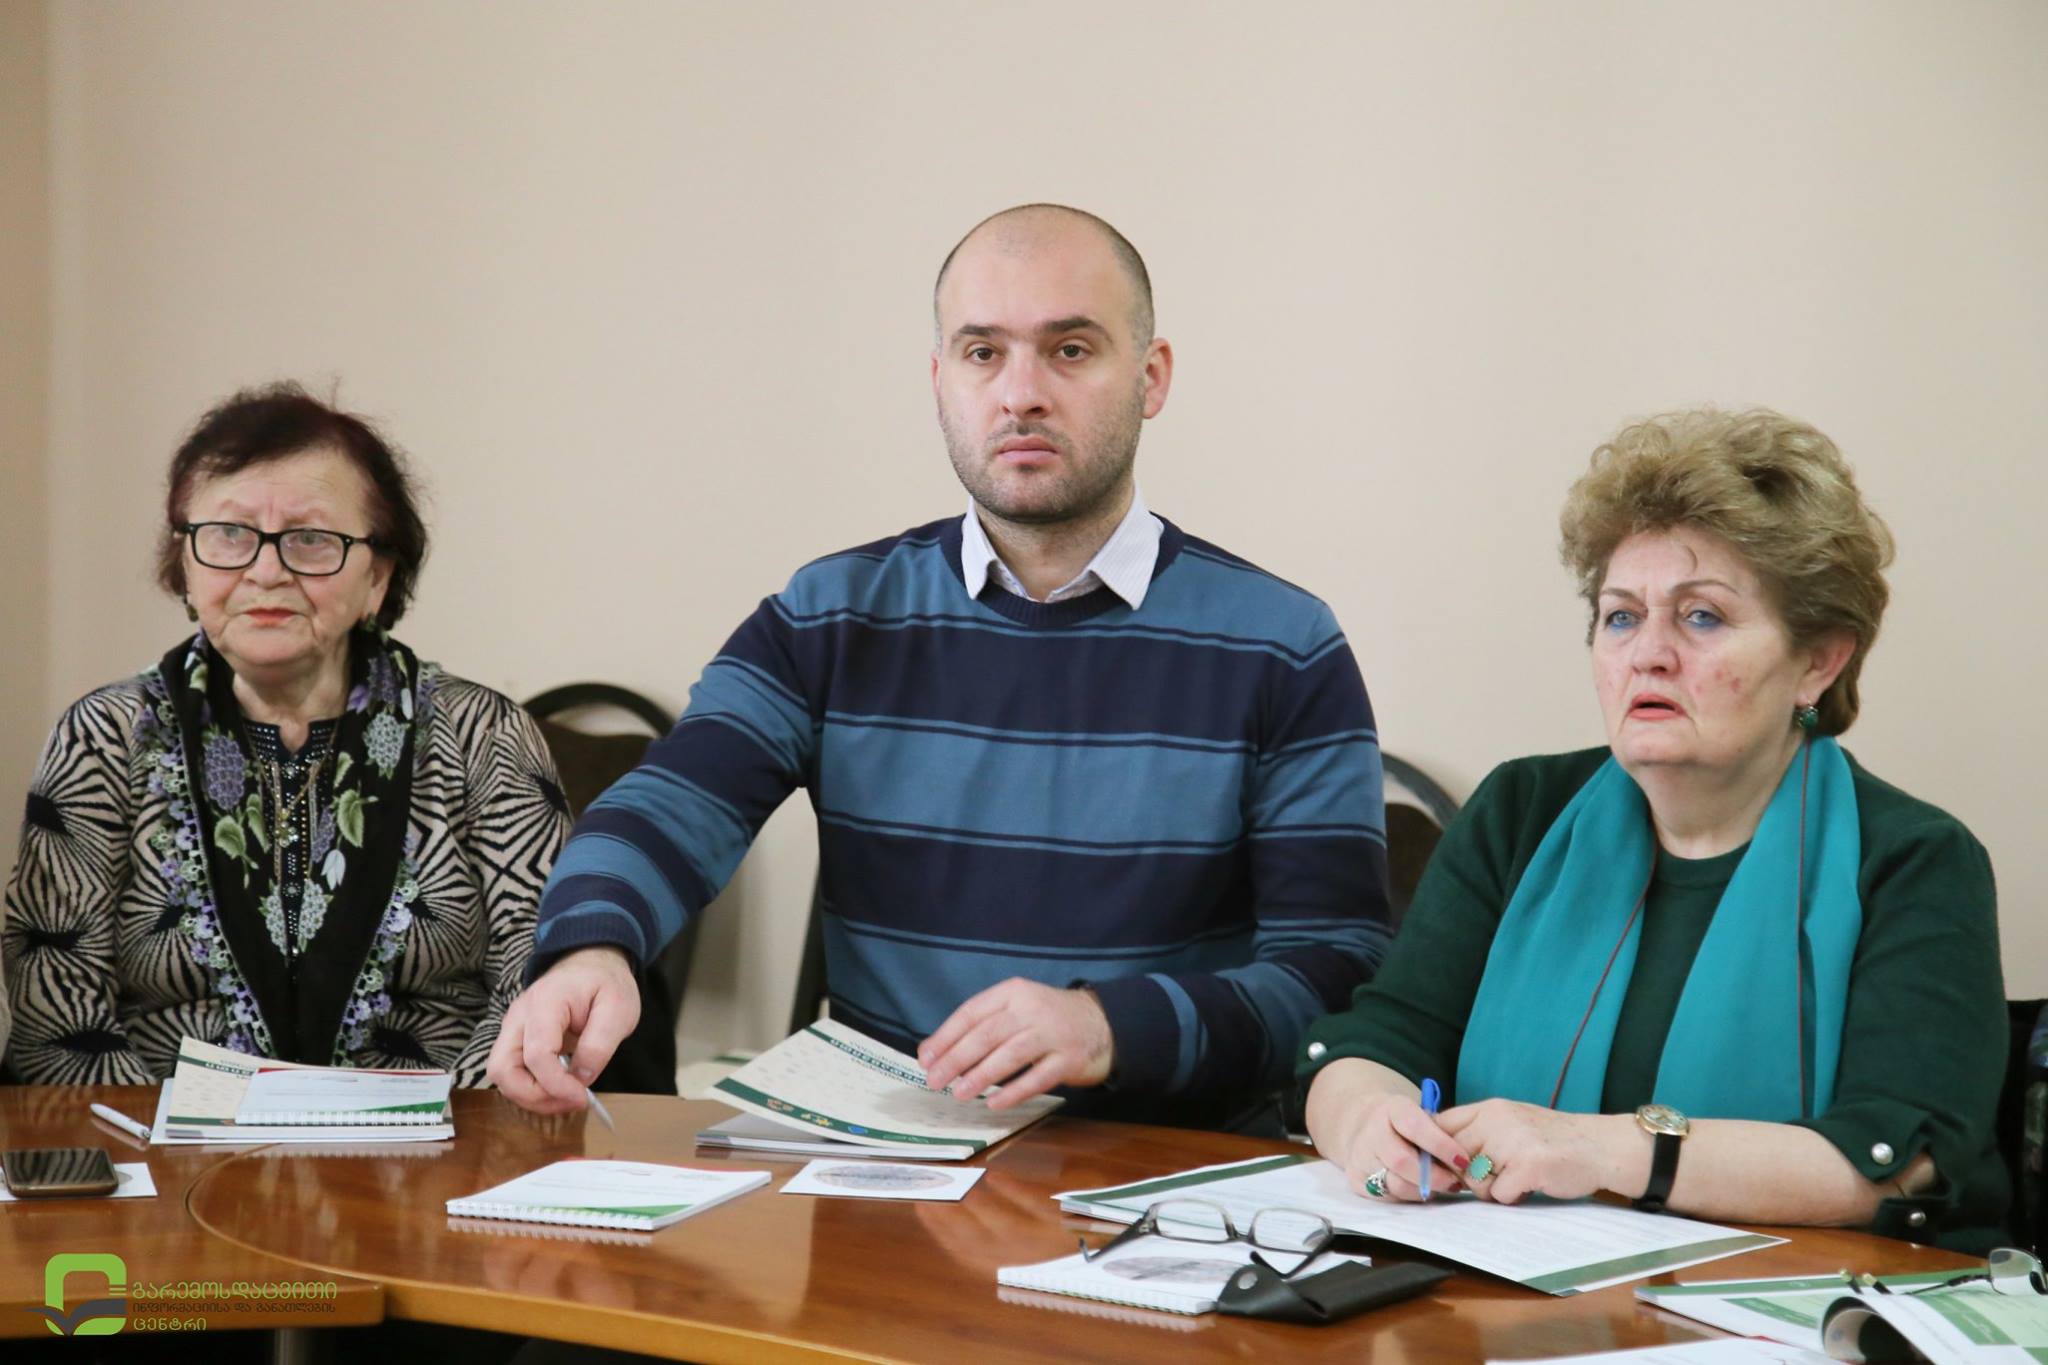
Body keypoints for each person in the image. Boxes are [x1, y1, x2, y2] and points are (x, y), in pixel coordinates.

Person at [490, 204, 1394, 1132]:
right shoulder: (830, 615)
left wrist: (1108, 1026)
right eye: (982, 352)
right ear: (939, 380)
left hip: (1164, 1173)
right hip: (887, 1166)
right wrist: (592, 947)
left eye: (1070, 350)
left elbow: (1337, 976)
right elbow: (670, 804)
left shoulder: (1285, 644)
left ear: (1151, 376)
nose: (1021, 394)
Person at [1301, 407, 2006, 1249]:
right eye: (1622, 616)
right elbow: (1376, 1039)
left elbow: (1899, 1157)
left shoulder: (1915, 859)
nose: (1648, 653)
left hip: (1782, 1302)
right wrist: (1367, 1121)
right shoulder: (1521, 811)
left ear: (1819, 660)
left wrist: (1601, 1148)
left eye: (1702, 616)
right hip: (1506, 1289)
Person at [2, 384, 572, 1084]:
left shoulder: (484, 734)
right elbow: (56, 1019)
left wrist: (447, 1128)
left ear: (378, 576)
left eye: (310, 539)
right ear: (185, 564)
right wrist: (165, 1140)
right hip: (157, 1135)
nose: (266, 570)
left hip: (441, 1133)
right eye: (229, 534)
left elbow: (543, 979)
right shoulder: (105, 737)